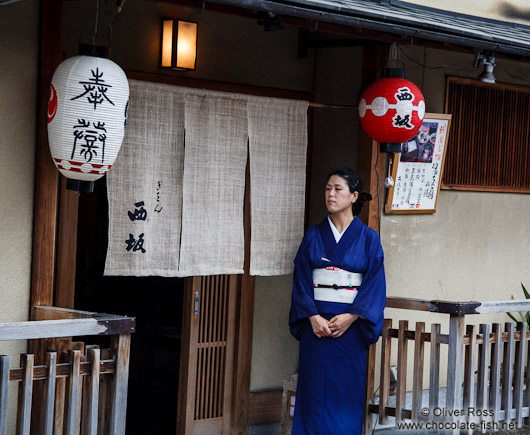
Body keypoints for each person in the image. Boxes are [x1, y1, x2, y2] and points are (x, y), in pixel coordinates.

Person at [289, 166, 386, 434]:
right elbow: (301, 279)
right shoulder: (312, 236)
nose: (330, 194)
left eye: (337, 189)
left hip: (350, 331)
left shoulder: (369, 239)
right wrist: (312, 316)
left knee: (345, 394)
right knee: (312, 393)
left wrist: (353, 315)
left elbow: (375, 283)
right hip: (316, 328)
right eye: (327, 188)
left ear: (354, 196)